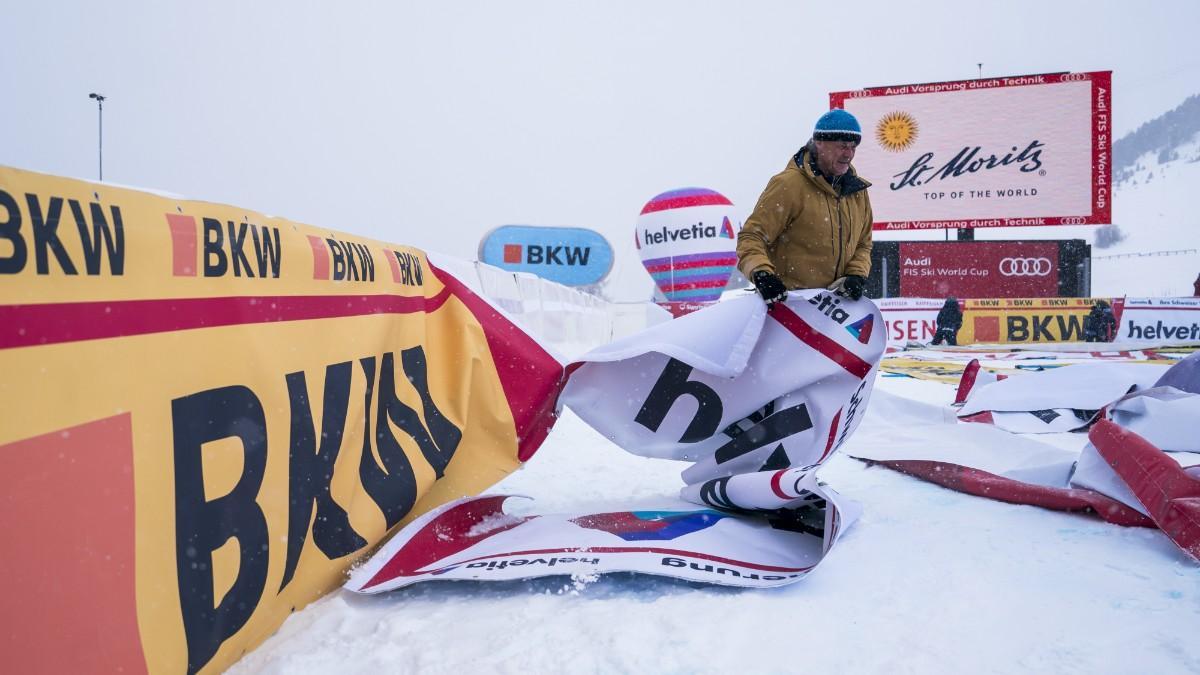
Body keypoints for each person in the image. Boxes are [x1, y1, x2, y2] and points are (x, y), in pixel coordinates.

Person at [737, 109, 874, 305]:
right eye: (842, 146)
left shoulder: (857, 191)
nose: (849, 154)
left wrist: (856, 275)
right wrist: (761, 274)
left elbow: (864, 243)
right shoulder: (789, 184)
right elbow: (751, 236)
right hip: (788, 309)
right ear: (819, 143)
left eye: (853, 147)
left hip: (836, 313)